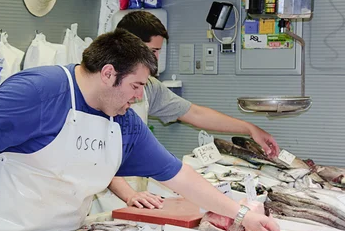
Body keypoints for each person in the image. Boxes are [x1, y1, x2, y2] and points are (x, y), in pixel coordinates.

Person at [0, 28, 282, 231]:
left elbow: (179, 176)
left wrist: (241, 215)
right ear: (109, 74)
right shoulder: (39, 89)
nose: (139, 98)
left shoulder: (123, 123)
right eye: (136, 86)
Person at [97, 11, 280, 212]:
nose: (155, 59)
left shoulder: (150, 87)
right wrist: (129, 194)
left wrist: (249, 128)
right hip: (106, 199)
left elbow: (194, 113)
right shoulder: (102, 91)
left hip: (138, 195)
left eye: (158, 51)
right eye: (152, 51)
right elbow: (97, 155)